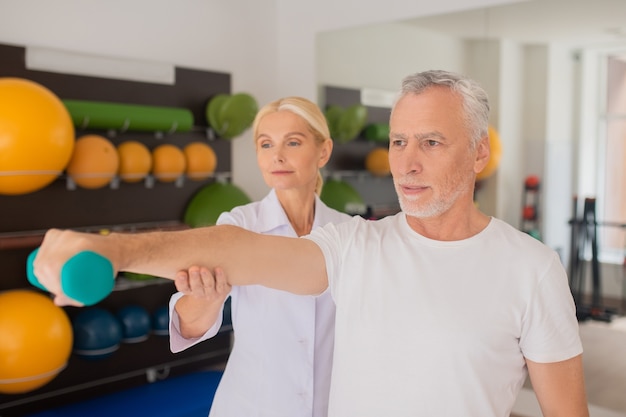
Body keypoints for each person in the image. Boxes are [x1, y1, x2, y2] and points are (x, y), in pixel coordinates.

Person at [33, 70, 590, 417]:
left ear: (477, 154)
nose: (407, 162)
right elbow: (235, 248)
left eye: (431, 142)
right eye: (398, 141)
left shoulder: (531, 268)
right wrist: (110, 249)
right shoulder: (353, 243)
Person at [169, 96, 352, 417]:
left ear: (323, 151)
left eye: (292, 142)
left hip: (330, 405)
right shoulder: (238, 224)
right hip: (252, 405)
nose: (277, 156)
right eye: (266, 145)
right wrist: (207, 297)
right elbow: (189, 324)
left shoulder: (348, 231)